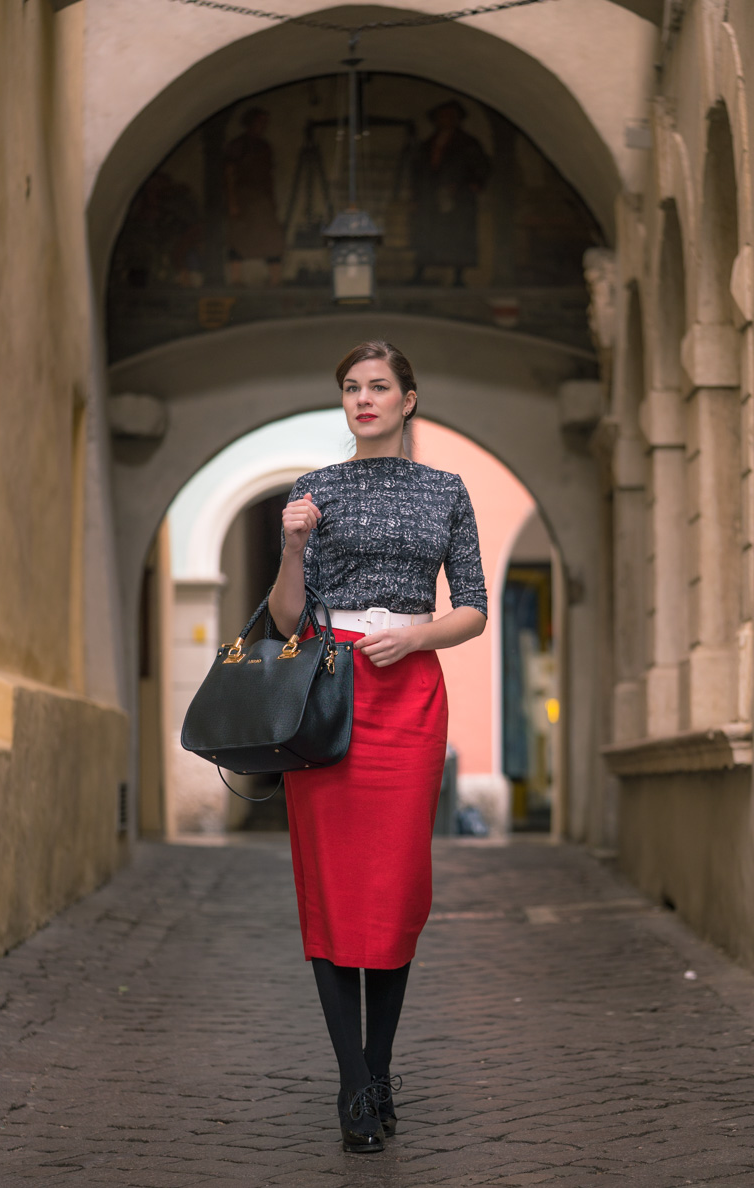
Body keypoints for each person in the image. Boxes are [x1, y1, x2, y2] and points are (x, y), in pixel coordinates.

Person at [267, 340, 487, 1154]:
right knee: (329, 886)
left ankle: (380, 1066)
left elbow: (475, 608)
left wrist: (418, 636)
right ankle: (353, 1083)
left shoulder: (446, 492)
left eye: (379, 387)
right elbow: (288, 619)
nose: (365, 399)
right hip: (326, 693)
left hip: (409, 694)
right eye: (353, 388)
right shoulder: (313, 492)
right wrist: (293, 545)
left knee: (393, 889)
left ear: (408, 399)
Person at [410, 100, 492, 286]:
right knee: (427, 233)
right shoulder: (427, 144)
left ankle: (458, 277)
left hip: (458, 199)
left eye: (449, 116)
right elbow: (418, 171)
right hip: (429, 198)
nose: (445, 120)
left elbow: (481, 167)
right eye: (442, 116)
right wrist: (416, 197)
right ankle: (420, 273)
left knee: (458, 237)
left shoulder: (468, 143)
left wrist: (471, 184)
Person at [223, 107, 285, 287]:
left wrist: (271, 199)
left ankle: (275, 279)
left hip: (262, 199)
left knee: (272, 237)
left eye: (265, 122)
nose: (263, 126)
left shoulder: (264, 146)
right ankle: (236, 279)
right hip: (243, 197)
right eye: (260, 121)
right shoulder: (238, 145)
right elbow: (229, 173)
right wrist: (232, 201)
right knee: (239, 237)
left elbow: (268, 174)